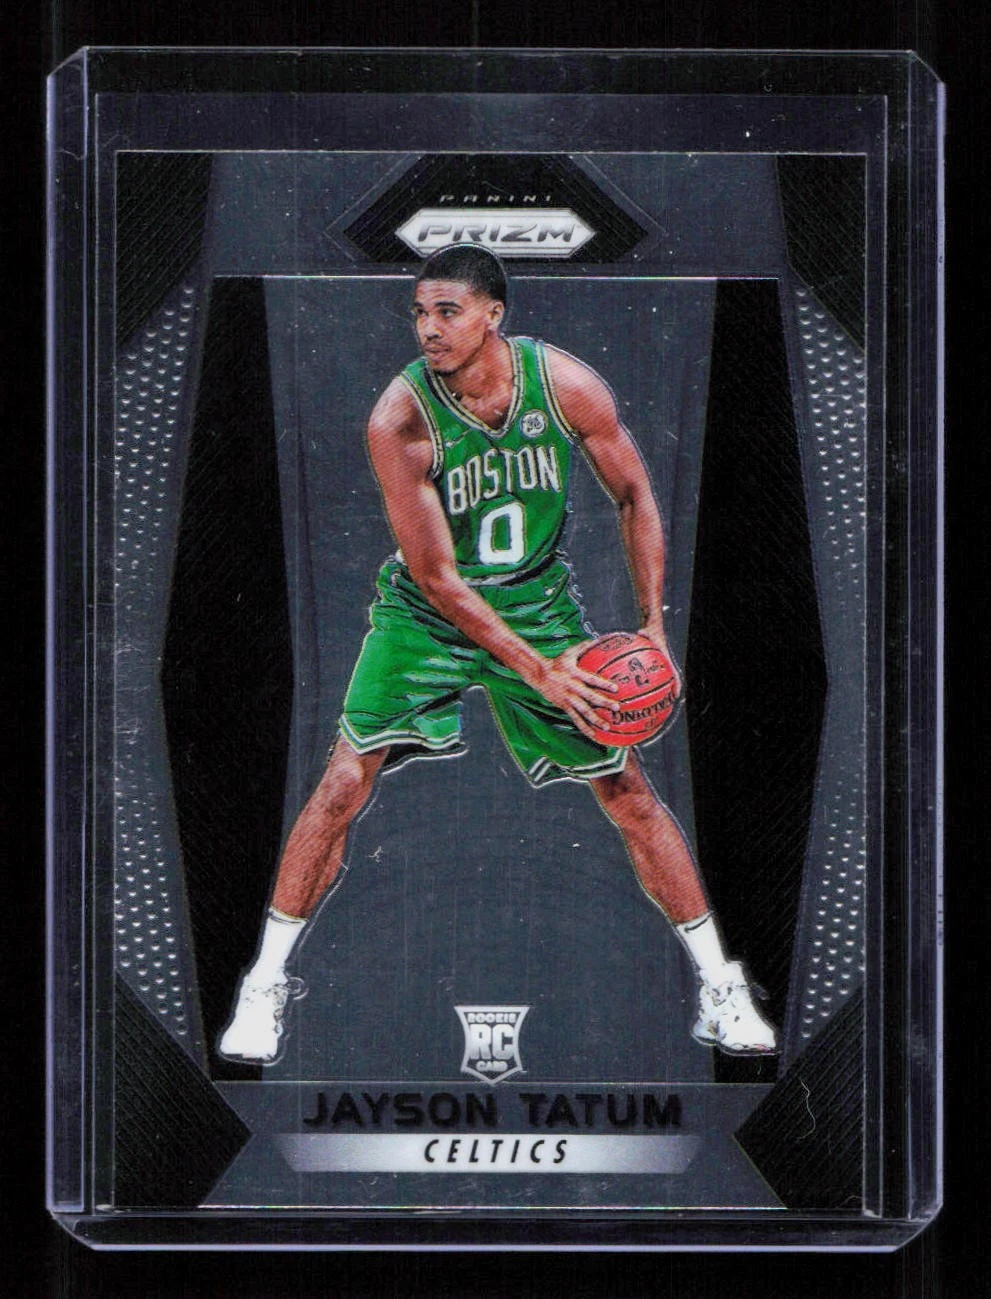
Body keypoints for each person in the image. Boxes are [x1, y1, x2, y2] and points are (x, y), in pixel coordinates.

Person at [219, 244, 777, 1064]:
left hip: (535, 603)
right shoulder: (399, 418)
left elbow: (633, 493)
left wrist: (651, 626)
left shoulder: (565, 386)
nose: (427, 328)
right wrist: (537, 669)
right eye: (419, 312)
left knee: (626, 789)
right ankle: (263, 985)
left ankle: (720, 987)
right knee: (341, 781)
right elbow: (437, 577)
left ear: (493, 315)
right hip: (427, 617)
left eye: (446, 311)